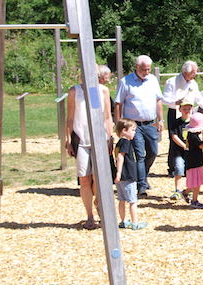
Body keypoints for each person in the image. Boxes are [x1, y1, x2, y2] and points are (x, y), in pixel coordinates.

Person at [64, 76, 114, 230]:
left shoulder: (102, 90)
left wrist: (110, 137)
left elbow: (107, 116)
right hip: (81, 139)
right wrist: (68, 139)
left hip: (100, 139)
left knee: (98, 177)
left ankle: (98, 201)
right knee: (84, 178)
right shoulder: (74, 91)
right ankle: (90, 215)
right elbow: (70, 117)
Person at [114, 55, 164, 196]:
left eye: (148, 69)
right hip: (133, 125)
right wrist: (119, 124)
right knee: (140, 155)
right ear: (136, 67)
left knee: (153, 152)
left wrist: (161, 119)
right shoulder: (125, 82)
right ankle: (141, 184)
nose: (146, 72)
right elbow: (118, 104)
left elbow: (158, 100)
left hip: (150, 123)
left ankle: (143, 175)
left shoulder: (153, 80)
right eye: (144, 69)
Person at [162, 61, 203, 178]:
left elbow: (200, 100)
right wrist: (175, 102)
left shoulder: (193, 84)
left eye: (195, 72)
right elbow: (164, 99)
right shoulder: (172, 82)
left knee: (189, 138)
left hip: (189, 113)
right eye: (193, 72)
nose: (195, 74)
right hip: (175, 113)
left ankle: (187, 165)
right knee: (174, 139)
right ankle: (173, 168)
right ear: (186, 72)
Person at [114, 119, 147, 230]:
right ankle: (135, 222)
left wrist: (118, 174)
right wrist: (119, 172)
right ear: (124, 130)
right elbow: (120, 157)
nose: (134, 132)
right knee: (132, 201)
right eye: (132, 130)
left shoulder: (119, 143)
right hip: (127, 175)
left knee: (122, 200)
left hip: (121, 177)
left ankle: (123, 221)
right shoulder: (126, 142)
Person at [183, 112, 203, 209]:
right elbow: (202, 146)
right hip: (194, 162)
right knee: (196, 183)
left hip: (194, 161)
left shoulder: (191, 135)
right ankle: (194, 200)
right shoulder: (193, 136)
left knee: (195, 181)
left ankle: (186, 192)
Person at [168, 101, 193, 201]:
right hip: (179, 151)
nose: (187, 111)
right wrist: (184, 146)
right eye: (184, 109)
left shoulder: (193, 122)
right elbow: (173, 136)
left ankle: (189, 190)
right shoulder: (176, 123)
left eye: (188, 109)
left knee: (190, 171)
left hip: (191, 152)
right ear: (180, 109)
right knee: (179, 168)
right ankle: (177, 190)